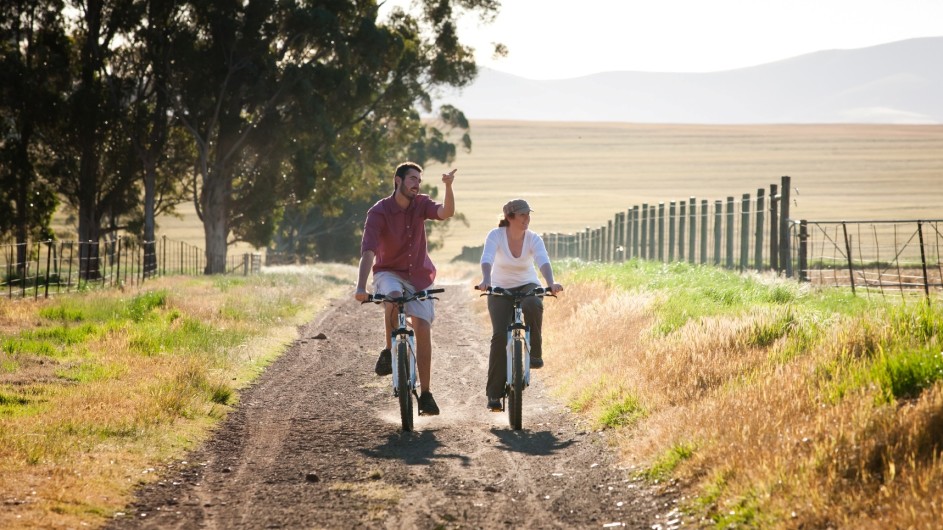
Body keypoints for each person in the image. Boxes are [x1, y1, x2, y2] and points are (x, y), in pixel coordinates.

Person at [355, 161, 457, 416]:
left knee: (422, 326)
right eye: (412, 179)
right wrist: (361, 286)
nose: (417, 184)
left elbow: (446, 213)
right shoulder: (379, 212)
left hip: (419, 275)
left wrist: (448, 186)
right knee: (393, 296)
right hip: (389, 271)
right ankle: (390, 351)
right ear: (397, 180)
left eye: (419, 181)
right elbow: (368, 251)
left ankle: (426, 394)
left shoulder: (421, 204)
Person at [476, 199, 563, 411]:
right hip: (499, 287)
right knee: (499, 337)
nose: (527, 218)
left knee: (533, 303)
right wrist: (486, 280)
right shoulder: (495, 235)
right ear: (509, 217)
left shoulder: (533, 238)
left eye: (528, 214)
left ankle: (535, 352)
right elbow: (487, 259)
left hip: (527, 284)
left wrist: (551, 283)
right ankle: (494, 395)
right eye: (522, 215)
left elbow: (543, 261)